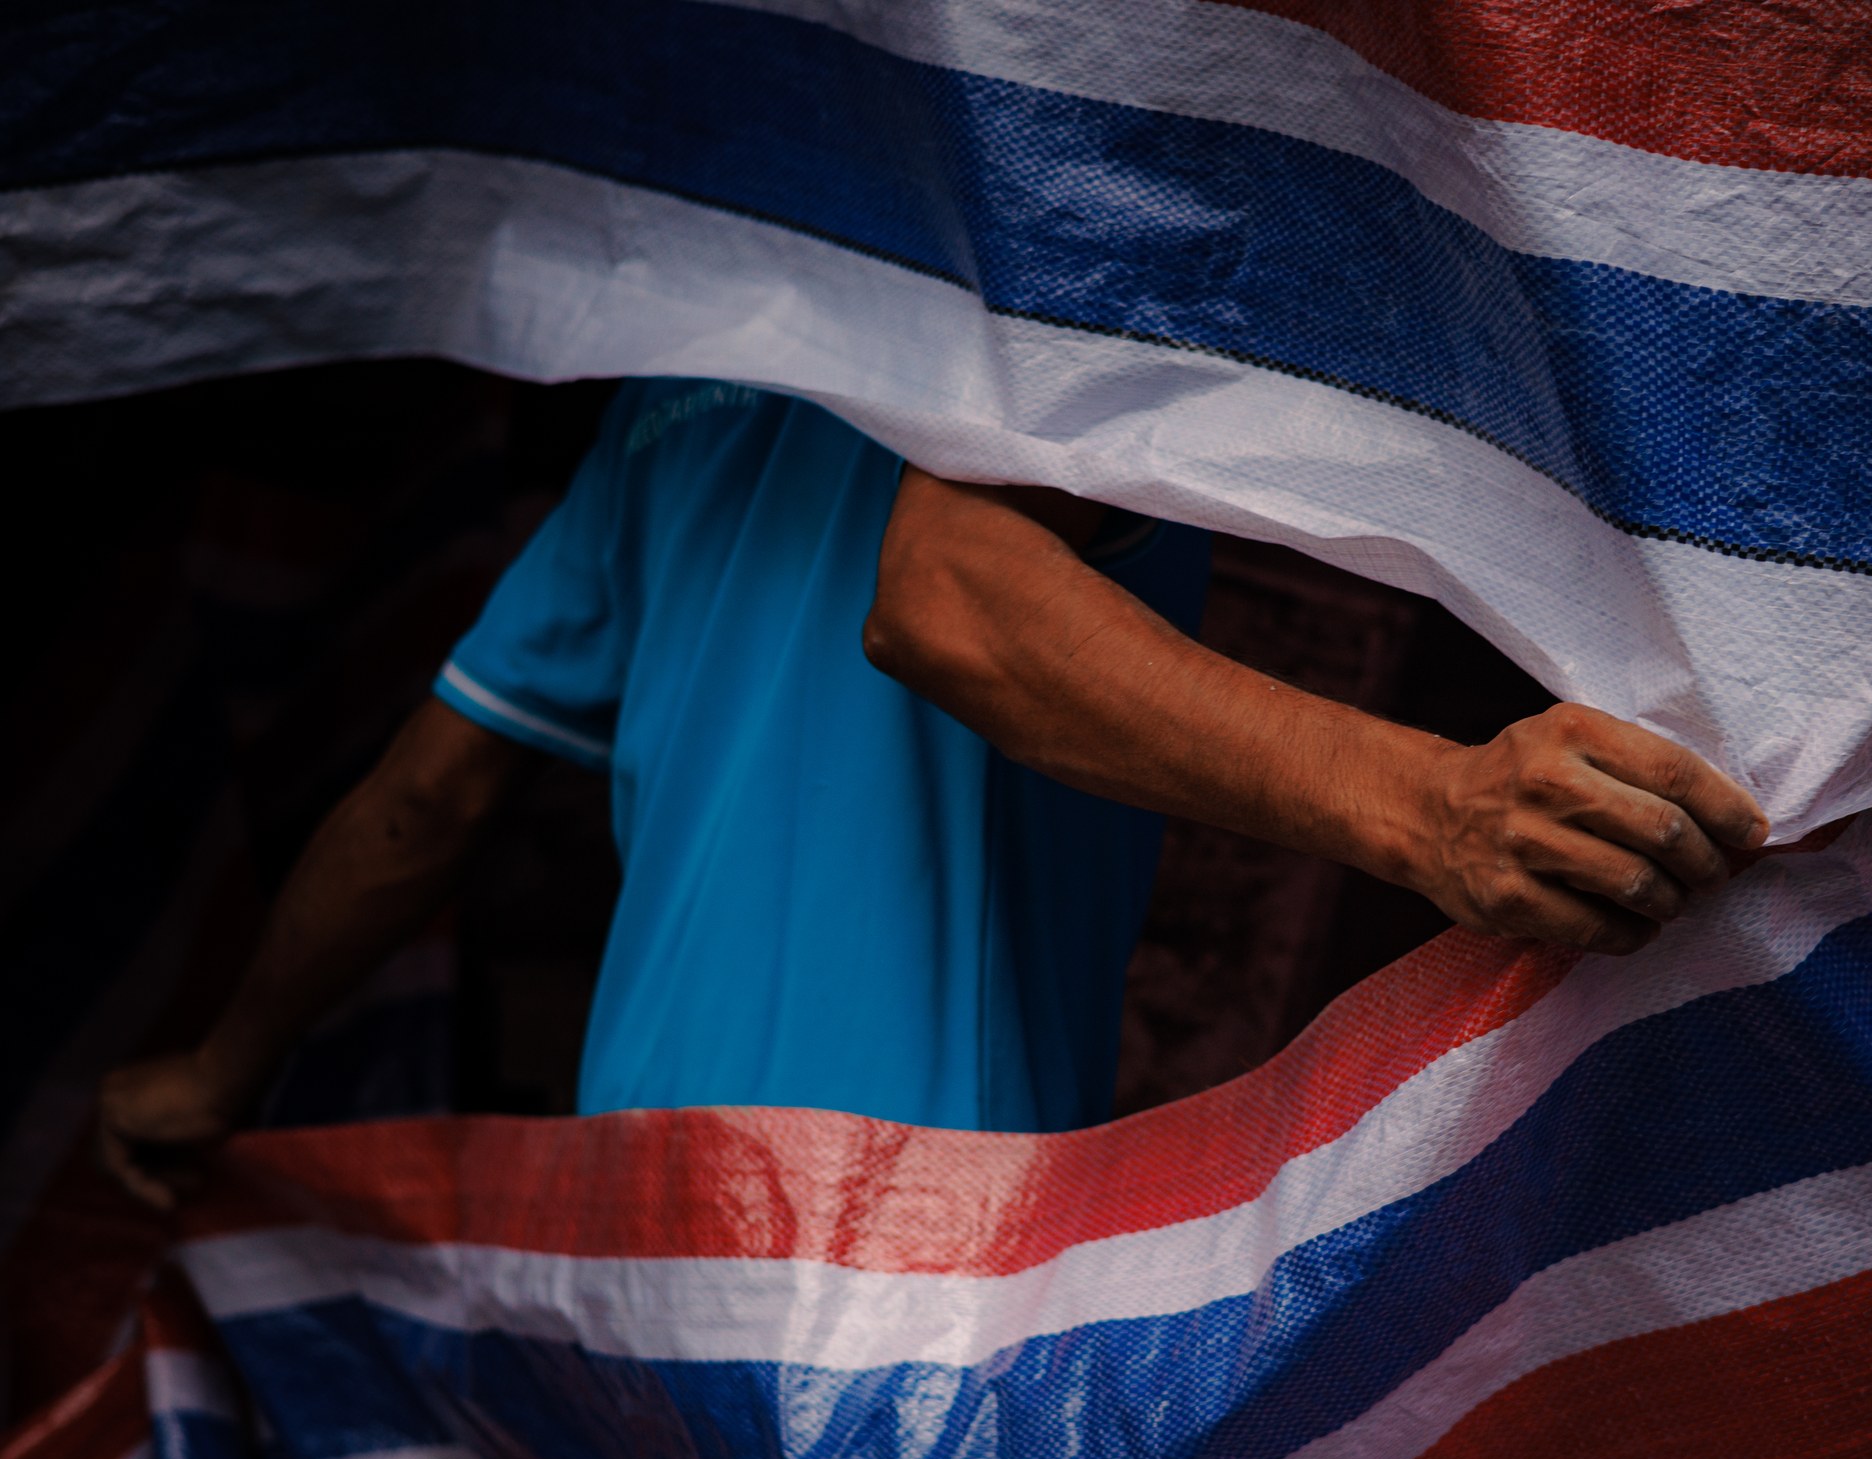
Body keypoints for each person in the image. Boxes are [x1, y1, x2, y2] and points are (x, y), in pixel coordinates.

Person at [97, 378, 1768, 1207]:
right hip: (901, 1233)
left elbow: (423, 805)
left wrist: (222, 1070)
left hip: (623, 1212)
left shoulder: (681, 409)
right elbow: (946, 600)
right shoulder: (1049, 355)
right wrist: (1435, 809)